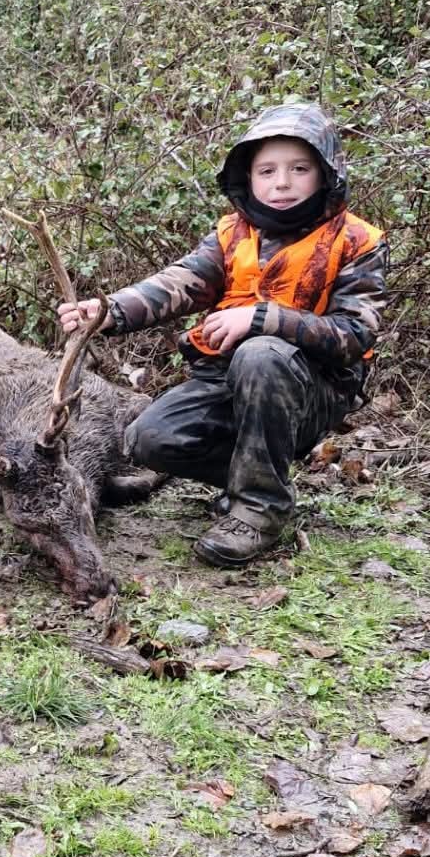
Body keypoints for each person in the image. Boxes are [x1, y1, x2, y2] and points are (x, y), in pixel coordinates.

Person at [58, 103, 387, 566]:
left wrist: (262, 318)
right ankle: (258, 482)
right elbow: (178, 283)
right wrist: (108, 311)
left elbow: (354, 334)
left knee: (262, 353)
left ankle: (260, 510)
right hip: (226, 378)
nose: (282, 182)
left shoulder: (357, 241)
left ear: (326, 173)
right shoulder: (233, 234)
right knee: (149, 439)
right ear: (248, 177)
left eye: (299, 169)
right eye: (267, 171)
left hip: (313, 389)